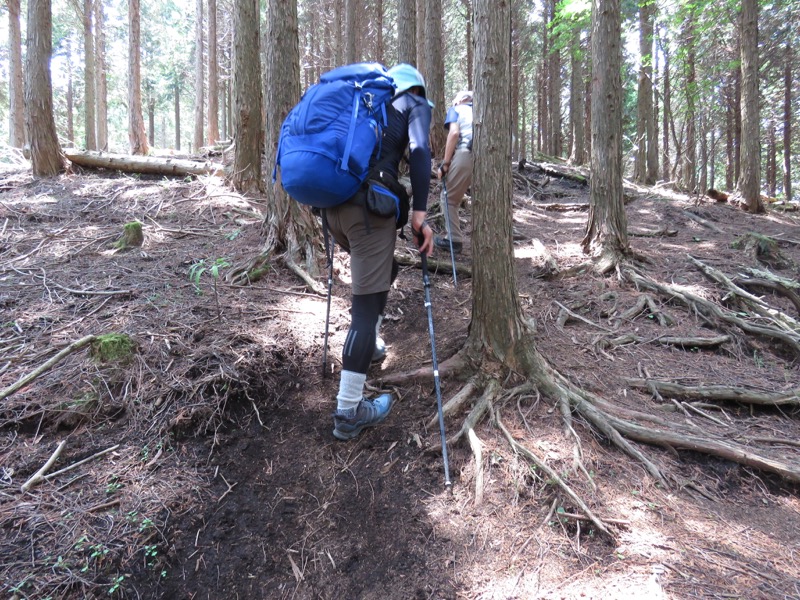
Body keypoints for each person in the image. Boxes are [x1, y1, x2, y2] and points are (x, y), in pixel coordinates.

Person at [325, 63, 434, 441]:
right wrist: (420, 213)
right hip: (367, 212)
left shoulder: (366, 104)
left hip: (334, 208)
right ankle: (349, 411)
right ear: (415, 88)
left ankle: (369, 345)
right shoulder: (412, 103)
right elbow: (420, 151)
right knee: (365, 309)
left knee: (383, 270)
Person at [435, 90, 474, 254]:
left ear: (460, 100)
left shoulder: (457, 110)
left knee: (448, 197)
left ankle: (454, 240)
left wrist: (445, 163)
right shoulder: (483, 110)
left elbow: (454, 133)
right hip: (491, 157)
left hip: (466, 152)